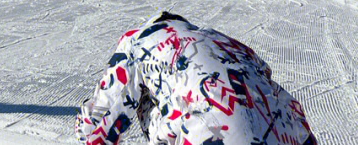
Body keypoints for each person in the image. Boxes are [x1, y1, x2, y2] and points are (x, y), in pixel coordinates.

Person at [76, 11, 316, 145]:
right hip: (291, 134)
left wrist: (85, 129)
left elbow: (101, 116)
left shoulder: (136, 41)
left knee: (148, 101)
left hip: (212, 136)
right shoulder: (225, 41)